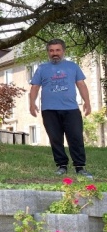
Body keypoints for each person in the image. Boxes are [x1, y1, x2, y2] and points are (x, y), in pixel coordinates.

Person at [29, 38, 92, 178]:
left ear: (63, 51)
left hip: (71, 109)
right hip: (49, 110)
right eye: (51, 51)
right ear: (48, 52)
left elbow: (81, 85)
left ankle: (80, 167)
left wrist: (87, 102)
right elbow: (35, 87)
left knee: (75, 137)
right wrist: (32, 103)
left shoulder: (73, 66)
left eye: (57, 50)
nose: (54, 53)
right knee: (55, 138)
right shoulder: (42, 69)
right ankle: (61, 165)